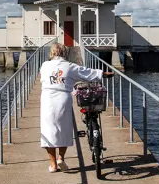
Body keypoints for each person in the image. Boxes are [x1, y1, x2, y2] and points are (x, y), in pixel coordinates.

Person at [39, 43, 112, 172]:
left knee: (48, 131)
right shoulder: (69, 66)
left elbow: (42, 80)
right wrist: (103, 74)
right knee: (65, 129)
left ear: (52, 53)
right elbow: (87, 73)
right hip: (63, 99)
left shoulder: (44, 65)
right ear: (64, 53)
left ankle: (53, 165)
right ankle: (61, 158)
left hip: (47, 99)